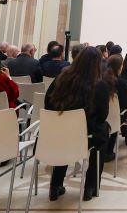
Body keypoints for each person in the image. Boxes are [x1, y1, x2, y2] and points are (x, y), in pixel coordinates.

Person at [44, 46, 109, 202]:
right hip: (86, 135)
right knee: (103, 131)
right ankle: (90, 187)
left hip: (59, 131)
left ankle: (55, 185)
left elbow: (48, 102)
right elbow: (102, 115)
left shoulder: (61, 77)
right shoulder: (99, 84)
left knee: (65, 141)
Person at [104, 54, 127, 158]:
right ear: (120, 67)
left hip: (102, 116)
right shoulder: (121, 82)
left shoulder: (101, 80)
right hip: (117, 116)